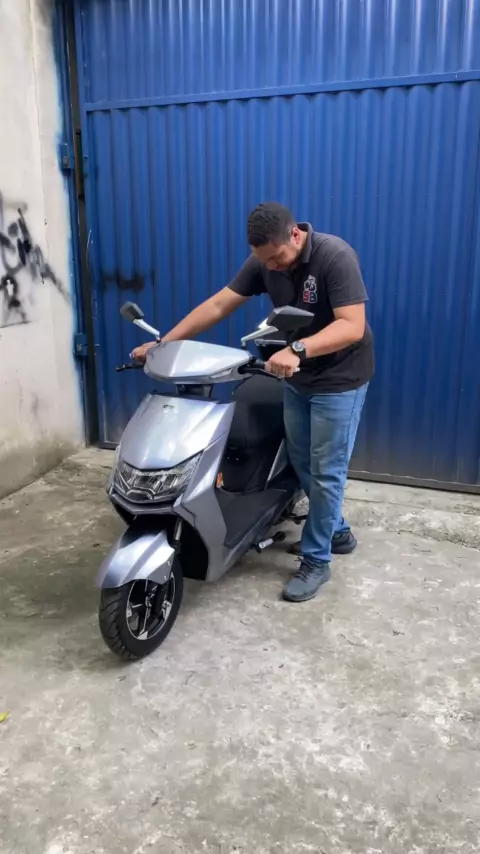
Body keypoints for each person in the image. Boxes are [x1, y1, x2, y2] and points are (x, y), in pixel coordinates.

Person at [132, 202, 374, 603]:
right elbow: (219, 304)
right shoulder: (264, 260)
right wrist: (163, 343)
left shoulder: (335, 256)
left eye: (277, 258)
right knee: (302, 461)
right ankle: (337, 531)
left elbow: (352, 326)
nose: (272, 267)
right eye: (265, 261)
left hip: (340, 379)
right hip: (297, 378)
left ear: (295, 234)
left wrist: (297, 348)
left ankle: (317, 559)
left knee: (326, 471)